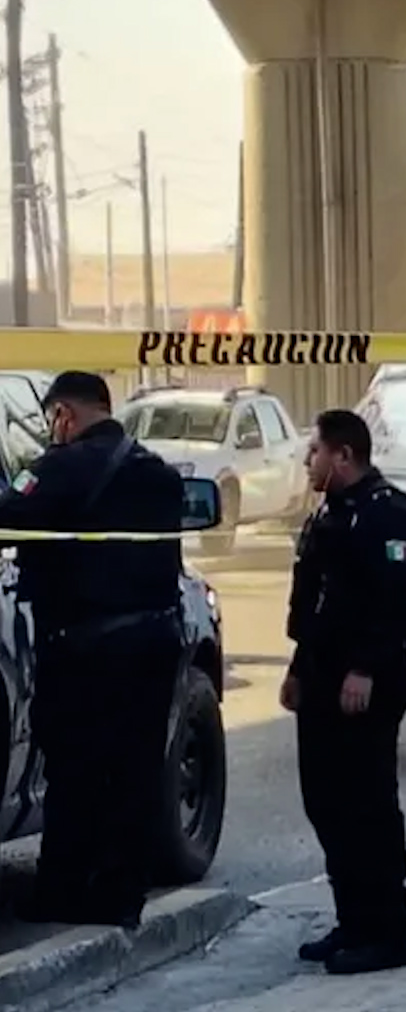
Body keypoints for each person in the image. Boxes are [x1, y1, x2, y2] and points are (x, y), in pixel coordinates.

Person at [0, 371, 184, 928]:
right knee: (136, 772)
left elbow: (9, 513)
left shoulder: (59, 467)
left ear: (64, 415)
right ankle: (121, 897)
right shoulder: (158, 471)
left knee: (75, 771)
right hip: (155, 641)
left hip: (88, 649)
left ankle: (62, 892)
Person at [282, 409, 406, 974]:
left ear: (343, 454)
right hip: (322, 675)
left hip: (366, 681)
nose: (307, 461)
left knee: (367, 806)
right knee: (326, 802)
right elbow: (316, 601)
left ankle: (387, 933)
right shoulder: (331, 512)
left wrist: (365, 668)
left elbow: (393, 603)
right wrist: (298, 668)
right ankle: (353, 919)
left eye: (315, 451)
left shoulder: (388, 514)